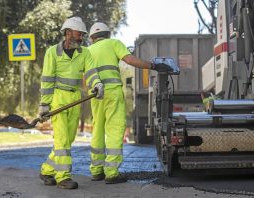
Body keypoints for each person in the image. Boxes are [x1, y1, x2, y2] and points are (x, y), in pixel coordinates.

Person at [86, 22, 168, 184]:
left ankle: (96, 170)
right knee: (114, 129)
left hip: (95, 94)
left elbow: (84, 78)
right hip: (112, 92)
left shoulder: (86, 51)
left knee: (98, 129)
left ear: (91, 37)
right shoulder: (113, 43)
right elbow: (130, 60)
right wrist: (153, 66)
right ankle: (111, 172)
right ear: (107, 34)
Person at [38, 16, 104, 190]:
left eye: (83, 35)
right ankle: (63, 177)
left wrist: (96, 83)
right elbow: (47, 80)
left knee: (68, 140)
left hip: (75, 99)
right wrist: (44, 104)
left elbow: (91, 72)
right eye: (78, 34)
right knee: (61, 140)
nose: (81, 38)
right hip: (58, 100)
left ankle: (46, 170)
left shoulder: (84, 53)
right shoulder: (53, 52)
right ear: (67, 33)